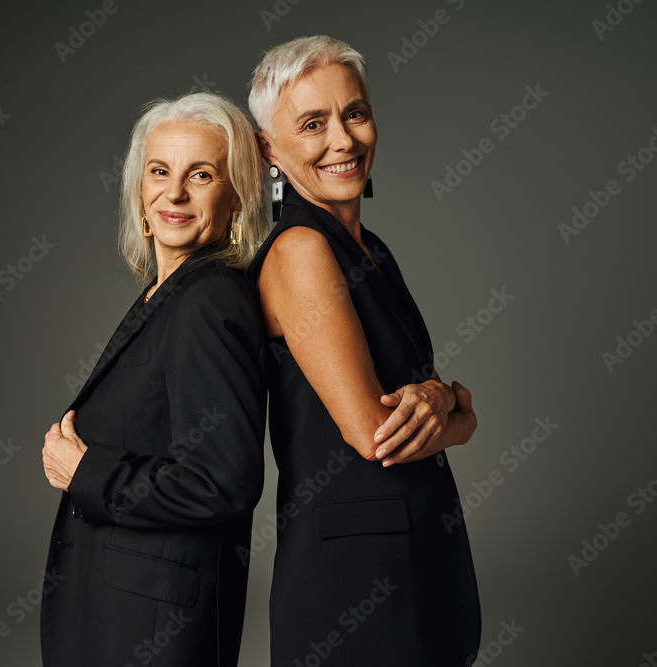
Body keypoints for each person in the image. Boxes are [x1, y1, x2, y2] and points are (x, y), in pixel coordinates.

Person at [245, 36, 481, 665]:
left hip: (416, 552)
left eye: (355, 113)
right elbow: (379, 435)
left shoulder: (372, 249)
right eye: (313, 124)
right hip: (354, 579)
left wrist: (442, 400)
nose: (343, 141)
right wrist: (455, 406)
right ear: (270, 148)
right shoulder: (300, 251)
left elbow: (430, 403)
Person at [39, 91, 269, 666]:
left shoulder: (209, 302)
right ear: (139, 189)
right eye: (160, 171)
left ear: (237, 195)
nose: (175, 192)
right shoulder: (169, 293)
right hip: (124, 607)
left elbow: (224, 480)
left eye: (202, 174)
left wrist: (87, 473)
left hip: (155, 626)